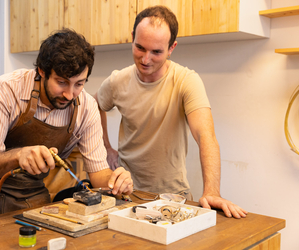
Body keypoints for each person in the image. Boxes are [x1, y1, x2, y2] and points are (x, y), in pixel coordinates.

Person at [0, 29, 133, 223]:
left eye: (79, 84)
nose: (70, 94)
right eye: (62, 82)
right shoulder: (6, 90)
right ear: (41, 71)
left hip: (30, 193)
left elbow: (99, 174)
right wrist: (19, 155)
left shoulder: (87, 108)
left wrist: (115, 182)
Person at [95, 6, 247, 218]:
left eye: (156, 52)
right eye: (140, 48)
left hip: (172, 195)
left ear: (171, 47)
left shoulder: (186, 80)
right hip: (127, 193)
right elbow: (95, 106)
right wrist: (107, 148)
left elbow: (206, 136)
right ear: (132, 38)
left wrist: (212, 192)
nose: (146, 59)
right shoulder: (117, 81)